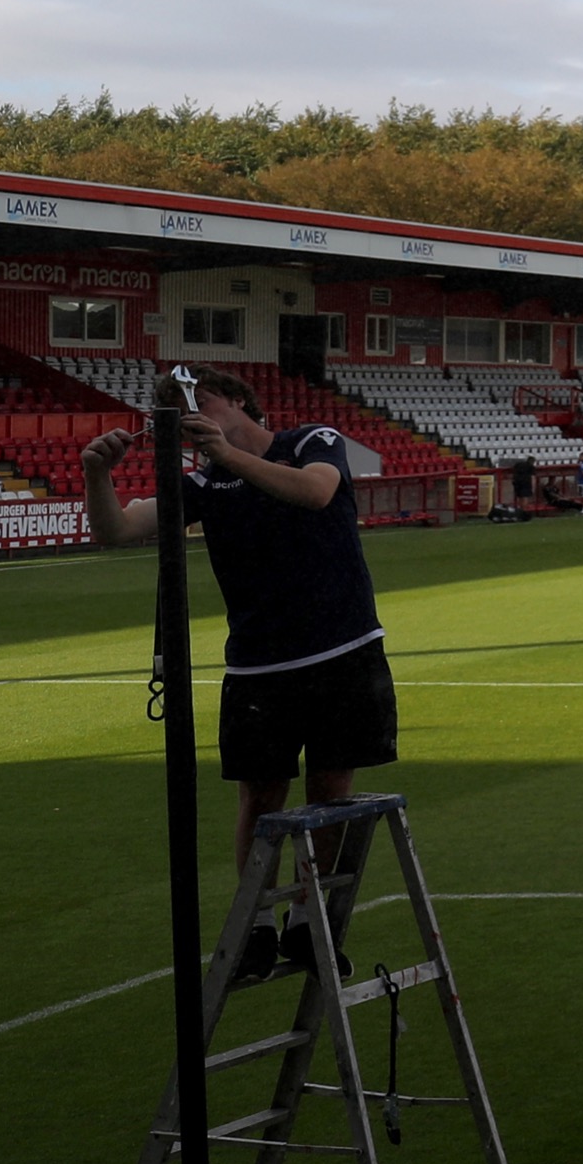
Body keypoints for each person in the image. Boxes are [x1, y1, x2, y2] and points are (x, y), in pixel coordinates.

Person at [83, 366, 399, 980]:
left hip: (345, 650)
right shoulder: (204, 482)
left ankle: (310, 924)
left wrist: (226, 453)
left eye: (196, 399)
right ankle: (255, 923)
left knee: (331, 791)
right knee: (259, 798)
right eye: (174, 406)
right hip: (259, 665)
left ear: (237, 401)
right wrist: (99, 473)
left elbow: (314, 493)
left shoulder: (312, 440)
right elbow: (116, 530)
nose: (188, 412)